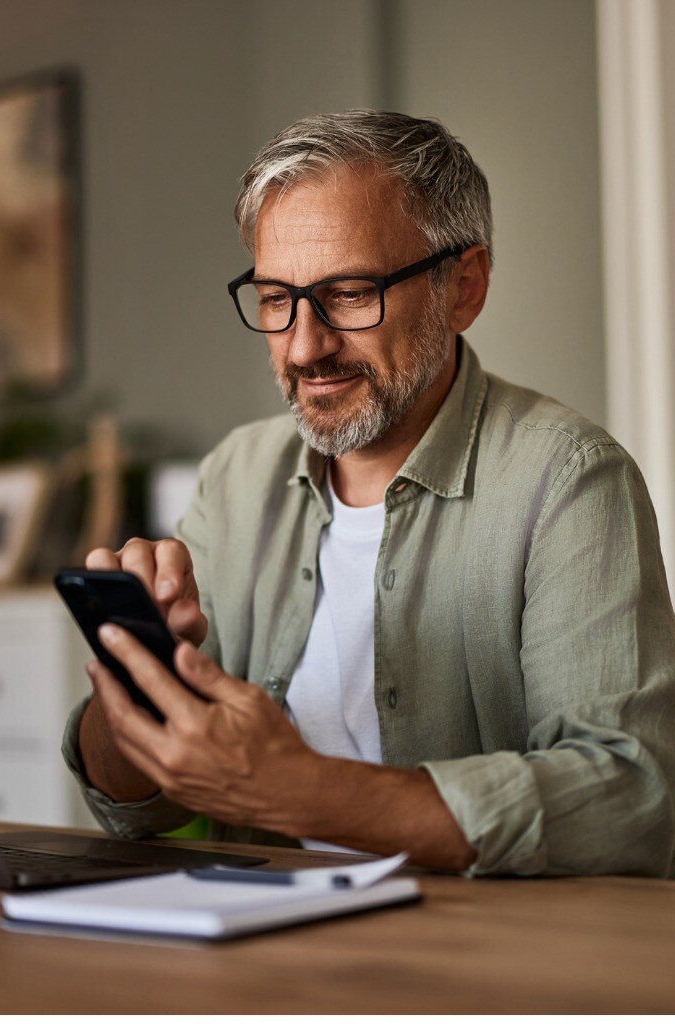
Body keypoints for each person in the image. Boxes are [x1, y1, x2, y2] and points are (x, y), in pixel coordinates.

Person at [62, 110, 675, 876]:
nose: (304, 345)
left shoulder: (570, 479)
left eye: (349, 294)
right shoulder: (236, 478)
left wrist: (302, 791)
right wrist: (134, 687)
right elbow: (136, 806)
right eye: (275, 297)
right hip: (259, 948)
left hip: (475, 963)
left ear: (465, 287)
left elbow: (629, 798)